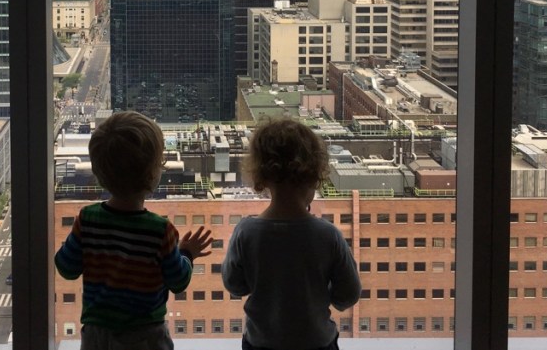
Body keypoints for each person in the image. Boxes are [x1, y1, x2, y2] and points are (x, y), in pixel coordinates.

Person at [55, 111, 213, 350]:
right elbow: (178, 281)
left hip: (97, 336)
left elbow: (66, 268)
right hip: (146, 335)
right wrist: (187, 253)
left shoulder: (87, 219)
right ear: (152, 175)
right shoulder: (160, 230)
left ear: (98, 173)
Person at [222, 119, 362, 350]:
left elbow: (234, 285)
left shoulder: (246, 232)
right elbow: (348, 294)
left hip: (262, 343)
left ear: (261, 177)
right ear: (315, 176)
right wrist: (318, 293)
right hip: (316, 342)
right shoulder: (328, 235)